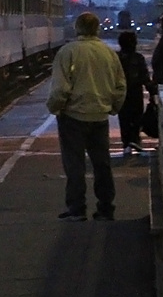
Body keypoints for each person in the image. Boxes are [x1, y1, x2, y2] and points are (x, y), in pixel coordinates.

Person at [47, 12, 126, 222]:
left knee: (75, 165)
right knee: (102, 165)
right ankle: (106, 208)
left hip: (73, 116)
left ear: (77, 28)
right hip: (100, 117)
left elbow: (59, 89)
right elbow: (120, 86)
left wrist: (55, 107)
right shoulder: (109, 53)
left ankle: (77, 209)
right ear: (98, 28)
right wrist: (113, 108)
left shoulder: (68, 52)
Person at [116, 30, 155, 155]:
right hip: (135, 92)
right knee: (136, 116)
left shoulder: (116, 58)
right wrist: (152, 91)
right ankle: (135, 139)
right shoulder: (138, 58)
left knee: (124, 118)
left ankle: (126, 142)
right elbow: (145, 77)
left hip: (121, 93)